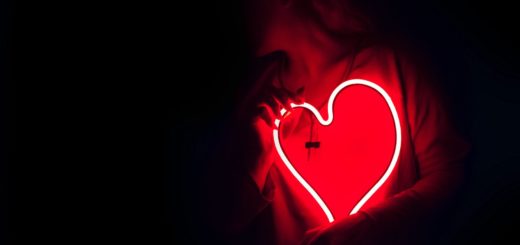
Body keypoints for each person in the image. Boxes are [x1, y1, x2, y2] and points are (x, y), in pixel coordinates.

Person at [200, 0, 470, 244]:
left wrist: (368, 226)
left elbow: (452, 173)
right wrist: (255, 157)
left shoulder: (394, 64)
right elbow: (224, 222)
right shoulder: (257, 96)